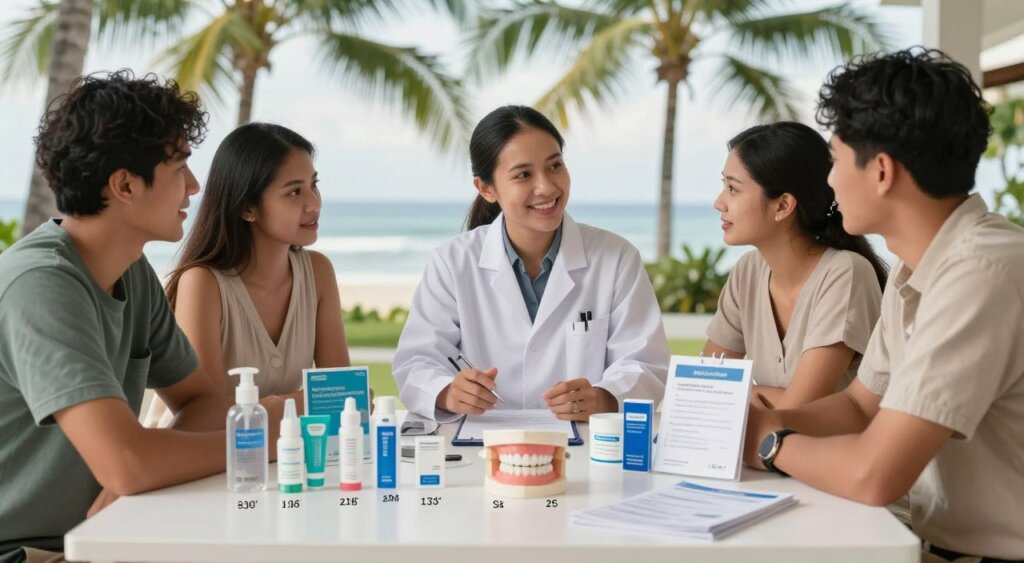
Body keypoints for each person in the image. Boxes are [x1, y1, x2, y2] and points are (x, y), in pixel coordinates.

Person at [743, 48, 1024, 562]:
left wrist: (772, 443)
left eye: (836, 159)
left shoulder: (982, 272)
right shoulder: (917, 267)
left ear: (881, 172)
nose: (828, 181)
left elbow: (875, 473)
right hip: (933, 543)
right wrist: (761, 418)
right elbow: (858, 407)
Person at [0, 71, 248, 562]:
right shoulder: (40, 283)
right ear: (125, 185)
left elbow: (202, 397)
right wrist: (257, 440)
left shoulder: (131, 271)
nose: (195, 187)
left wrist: (140, 471)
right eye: (180, 167)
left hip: (100, 538)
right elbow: (128, 463)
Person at [393, 105, 669, 423]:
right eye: (524, 175)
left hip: (587, 447)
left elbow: (645, 363)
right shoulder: (452, 262)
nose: (547, 187)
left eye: (555, 166)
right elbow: (416, 361)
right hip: (484, 444)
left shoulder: (616, 258)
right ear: (486, 189)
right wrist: (447, 391)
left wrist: (603, 396)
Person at [145, 123, 350, 426]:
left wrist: (313, 403)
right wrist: (308, 402)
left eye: (313, 185)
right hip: (197, 460)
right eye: (294, 192)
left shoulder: (318, 273)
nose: (314, 203)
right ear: (247, 208)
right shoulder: (203, 283)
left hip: (274, 453)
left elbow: (345, 396)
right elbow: (210, 416)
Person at [704, 122, 887, 409]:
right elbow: (702, 389)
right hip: (769, 452)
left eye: (733, 189)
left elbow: (799, 409)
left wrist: (739, 394)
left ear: (783, 206)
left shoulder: (845, 273)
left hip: (835, 452)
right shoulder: (747, 272)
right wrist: (752, 397)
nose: (719, 202)